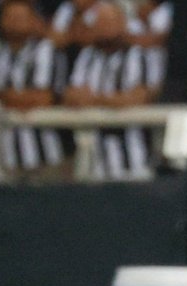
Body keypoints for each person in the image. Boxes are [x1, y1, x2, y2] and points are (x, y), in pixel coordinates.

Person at [0, 0, 65, 180]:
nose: (14, 22)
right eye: (10, 16)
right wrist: (15, 98)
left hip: (44, 157)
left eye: (21, 17)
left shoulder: (47, 51)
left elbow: (42, 100)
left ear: (34, 21)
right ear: (0, 21)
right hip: (2, 158)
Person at [63, 2, 152, 180]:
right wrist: (113, 100)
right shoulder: (87, 56)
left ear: (124, 23)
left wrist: (94, 100)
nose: (105, 28)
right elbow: (71, 96)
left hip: (133, 162)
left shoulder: (137, 55)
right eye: (101, 22)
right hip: (94, 163)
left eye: (111, 21)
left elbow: (137, 98)